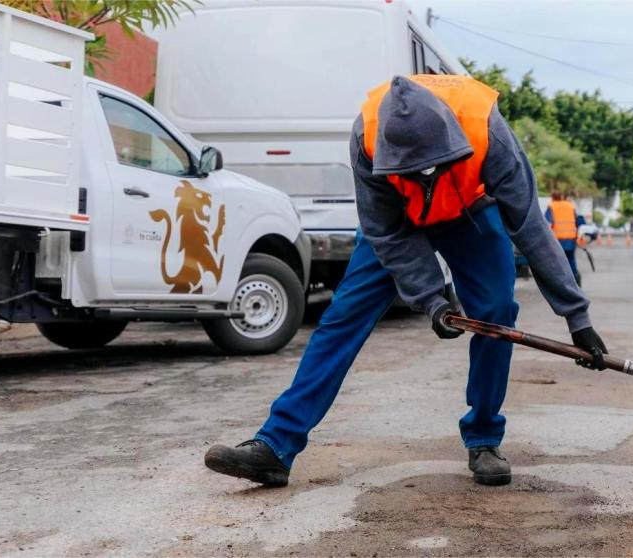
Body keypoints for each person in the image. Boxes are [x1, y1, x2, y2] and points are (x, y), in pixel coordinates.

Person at [204, 75, 608, 487]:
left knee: (497, 314)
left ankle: (484, 437)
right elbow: (386, 233)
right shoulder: (366, 136)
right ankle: (276, 444)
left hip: (470, 211)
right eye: (411, 171)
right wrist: (432, 298)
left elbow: (529, 227)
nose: (423, 177)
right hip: (396, 221)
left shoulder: (488, 131)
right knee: (343, 318)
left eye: (431, 168)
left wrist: (577, 317)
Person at [545, 191, 586, 286]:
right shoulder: (570, 206)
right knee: (571, 259)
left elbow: (546, 223)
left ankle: (562, 284)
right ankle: (575, 281)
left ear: (553, 198)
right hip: (571, 238)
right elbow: (579, 222)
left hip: (557, 240)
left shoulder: (552, 206)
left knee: (558, 262)